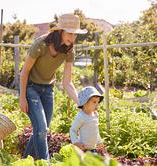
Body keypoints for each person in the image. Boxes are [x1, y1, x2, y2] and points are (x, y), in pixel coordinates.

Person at [19, 13, 87, 160]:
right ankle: (46, 163)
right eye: (69, 33)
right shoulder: (41, 44)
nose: (73, 37)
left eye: (75, 34)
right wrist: (22, 97)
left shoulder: (69, 51)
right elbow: (24, 72)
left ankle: (24, 162)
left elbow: (67, 83)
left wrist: (81, 103)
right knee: (41, 129)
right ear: (60, 31)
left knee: (42, 130)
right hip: (31, 88)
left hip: (47, 90)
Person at [70, 86, 106, 154]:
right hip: (83, 149)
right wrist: (76, 143)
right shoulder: (81, 116)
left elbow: (96, 131)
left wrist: (100, 142)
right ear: (85, 102)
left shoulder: (95, 115)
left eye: (98, 102)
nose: (97, 104)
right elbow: (73, 130)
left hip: (93, 149)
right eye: (94, 102)